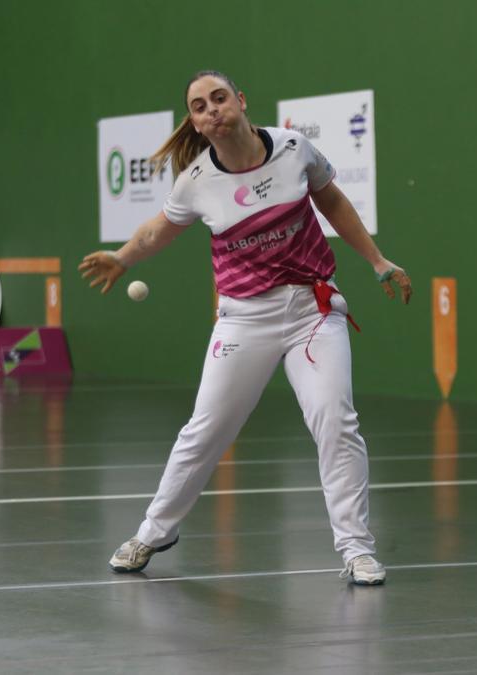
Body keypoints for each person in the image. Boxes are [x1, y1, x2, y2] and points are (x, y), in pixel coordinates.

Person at [79, 70, 411, 585]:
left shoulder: (294, 147)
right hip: (243, 320)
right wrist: (123, 258)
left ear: (241, 101)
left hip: (312, 310)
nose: (212, 109)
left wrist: (377, 261)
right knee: (205, 430)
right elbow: (155, 231)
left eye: (219, 98)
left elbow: (334, 202)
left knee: (335, 422)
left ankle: (356, 549)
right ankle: (154, 531)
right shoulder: (195, 182)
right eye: (199, 106)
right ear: (194, 121)